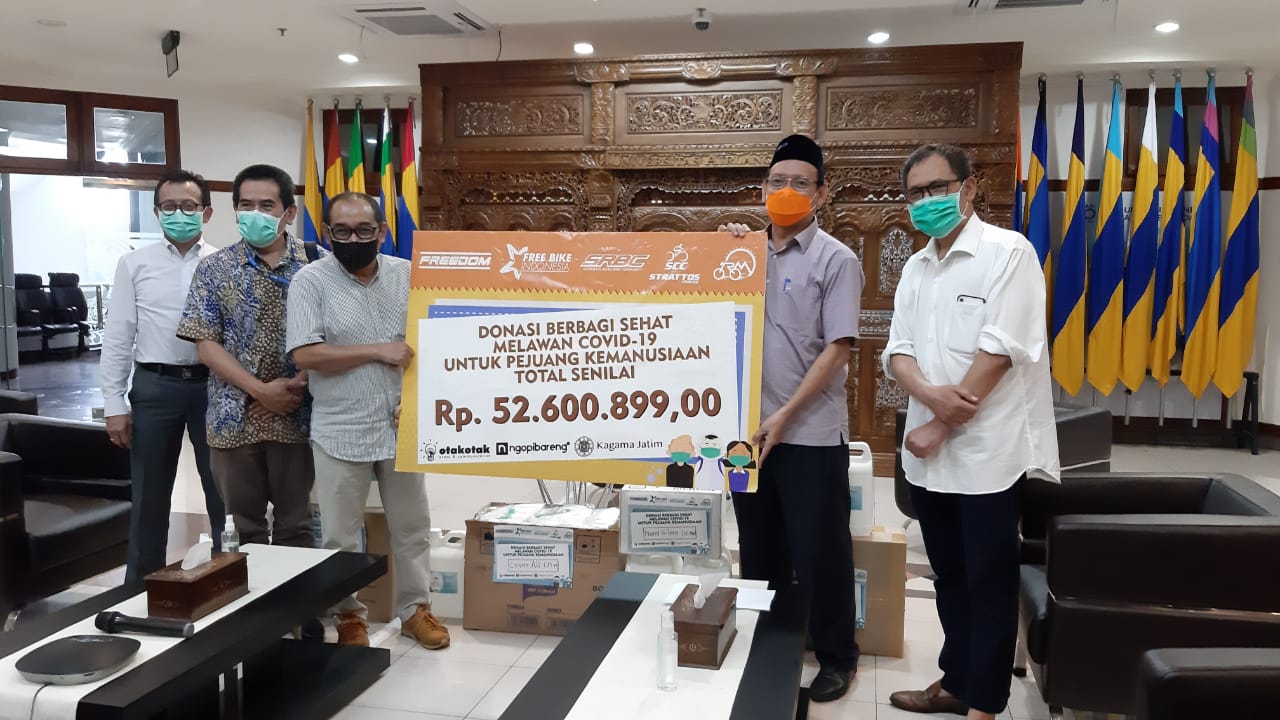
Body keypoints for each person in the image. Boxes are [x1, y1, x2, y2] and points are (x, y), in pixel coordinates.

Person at [883, 144, 1059, 720]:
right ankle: (955, 680)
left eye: (938, 188)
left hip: (988, 454)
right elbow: (898, 352)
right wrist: (932, 401)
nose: (927, 201)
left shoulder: (1010, 253)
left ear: (970, 187)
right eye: (916, 193)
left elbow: (1002, 349)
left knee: (987, 580)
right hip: (929, 456)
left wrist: (940, 420)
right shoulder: (915, 266)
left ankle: (986, 702)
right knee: (948, 576)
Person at [721, 134, 863, 703]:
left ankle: (836, 656)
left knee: (819, 549)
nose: (787, 191)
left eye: (800, 182)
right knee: (758, 547)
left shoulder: (838, 259)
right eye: (777, 182)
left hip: (807, 433)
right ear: (761, 190)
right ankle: (773, 642)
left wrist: (782, 417)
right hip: (742, 437)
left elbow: (839, 350)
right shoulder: (740, 254)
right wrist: (718, 254)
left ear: (822, 193)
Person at [285, 192, 450, 650]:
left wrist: (418, 398)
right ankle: (349, 616)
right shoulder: (310, 281)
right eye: (341, 231)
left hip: (403, 426)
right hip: (340, 428)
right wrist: (378, 349)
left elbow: (436, 344)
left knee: (413, 527)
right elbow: (306, 353)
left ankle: (415, 610)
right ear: (329, 231)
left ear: (382, 232)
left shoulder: (409, 277)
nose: (352, 239)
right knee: (340, 534)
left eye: (363, 230)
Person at [177, 164, 316, 552]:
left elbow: (335, 332)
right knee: (243, 530)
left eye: (266, 205)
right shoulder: (214, 269)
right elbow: (205, 343)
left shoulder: (317, 264)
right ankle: (250, 611)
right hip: (234, 418)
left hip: (297, 413)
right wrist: (261, 392)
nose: (254, 214)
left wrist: (291, 388)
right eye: (245, 204)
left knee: (297, 525)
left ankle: (297, 610)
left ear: (288, 212)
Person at [101, 170, 226, 582]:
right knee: (150, 496)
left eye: (189, 207)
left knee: (222, 491)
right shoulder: (135, 264)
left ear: (206, 212)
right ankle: (138, 590)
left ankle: (231, 578)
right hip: (155, 387)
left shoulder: (225, 262)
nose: (179, 214)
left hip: (215, 387)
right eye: (169, 207)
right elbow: (118, 336)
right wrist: (114, 405)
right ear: (157, 212)